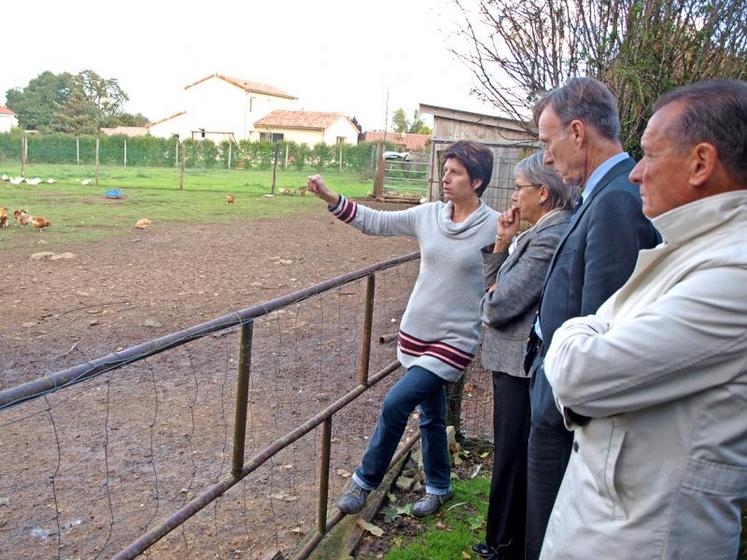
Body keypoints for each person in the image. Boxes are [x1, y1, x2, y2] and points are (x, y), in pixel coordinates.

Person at [541, 79, 747, 559]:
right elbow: (597, 327)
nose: (637, 174)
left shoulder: (733, 273)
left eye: (650, 155)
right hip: (613, 524)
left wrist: (579, 330)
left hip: (644, 538)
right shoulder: (689, 250)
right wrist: (591, 329)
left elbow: (578, 372)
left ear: (701, 163)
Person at [307, 140, 498, 517]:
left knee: (396, 402)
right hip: (417, 335)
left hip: (455, 341)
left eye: (455, 172)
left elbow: (512, 268)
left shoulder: (495, 226)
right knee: (431, 414)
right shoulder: (428, 216)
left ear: (476, 181)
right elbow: (376, 222)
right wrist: (331, 198)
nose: (446, 178)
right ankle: (440, 486)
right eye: (445, 170)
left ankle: (364, 481)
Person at [524, 77, 659, 559]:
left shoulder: (619, 201)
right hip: (555, 392)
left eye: (547, 141)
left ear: (577, 132)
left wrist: (563, 404)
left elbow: (603, 321)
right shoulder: (602, 194)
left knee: (552, 530)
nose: (545, 158)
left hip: (567, 411)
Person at [472, 152, 576, 560]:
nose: (514, 196)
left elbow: (498, 305)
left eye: (519, 188)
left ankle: (504, 546)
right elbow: (496, 292)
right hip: (511, 361)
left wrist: (493, 295)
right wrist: (501, 243)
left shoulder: (550, 237)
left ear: (544, 193)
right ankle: (501, 539)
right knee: (509, 452)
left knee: (513, 456)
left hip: (519, 366)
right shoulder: (537, 232)